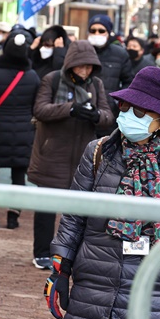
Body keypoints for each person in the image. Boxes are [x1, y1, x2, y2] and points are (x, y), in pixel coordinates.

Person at [44, 66, 160, 319]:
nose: (126, 115)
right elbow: (74, 217)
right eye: (124, 106)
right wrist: (60, 267)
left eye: (138, 110)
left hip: (156, 293)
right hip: (95, 287)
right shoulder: (98, 152)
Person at [27, 40, 114, 270]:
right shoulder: (52, 80)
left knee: (77, 211)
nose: (84, 71)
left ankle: (69, 252)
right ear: (71, 64)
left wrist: (95, 115)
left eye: (88, 67)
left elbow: (108, 115)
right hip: (52, 153)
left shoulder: (96, 84)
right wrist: (70, 109)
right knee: (46, 208)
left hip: (82, 155)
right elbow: (40, 109)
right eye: (80, 66)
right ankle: (42, 252)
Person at [0, 31, 40, 229]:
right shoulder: (32, 77)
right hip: (23, 133)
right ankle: (13, 218)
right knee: (18, 176)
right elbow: (35, 106)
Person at [86, 15, 134, 135]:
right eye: (93, 30)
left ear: (108, 32)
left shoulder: (120, 54)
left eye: (101, 31)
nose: (97, 33)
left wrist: (117, 101)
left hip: (109, 113)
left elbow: (129, 81)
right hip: (84, 111)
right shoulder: (83, 51)